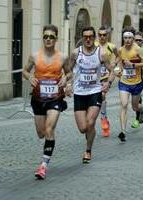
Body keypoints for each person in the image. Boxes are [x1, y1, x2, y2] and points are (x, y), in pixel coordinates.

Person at [22, 25, 68, 180]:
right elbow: (25, 70)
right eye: (46, 36)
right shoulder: (35, 56)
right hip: (38, 98)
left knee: (49, 129)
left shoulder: (62, 57)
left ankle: (43, 165)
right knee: (41, 133)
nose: (48, 39)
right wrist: (29, 77)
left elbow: (69, 73)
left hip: (55, 98)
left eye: (51, 37)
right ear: (43, 38)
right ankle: (49, 140)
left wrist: (65, 79)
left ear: (56, 39)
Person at [65, 26, 114, 163]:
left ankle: (88, 150)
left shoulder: (102, 53)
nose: (88, 39)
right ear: (82, 38)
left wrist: (107, 84)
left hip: (95, 91)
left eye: (90, 37)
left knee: (90, 122)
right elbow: (68, 70)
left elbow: (113, 71)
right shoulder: (76, 53)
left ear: (94, 38)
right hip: (79, 93)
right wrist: (68, 84)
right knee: (83, 128)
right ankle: (90, 134)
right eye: (85, 37)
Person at [115, 26, 143, 142]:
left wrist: (133, 65)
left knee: (134, 106)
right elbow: (119, 62)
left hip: (137, 82)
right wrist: (118, 69)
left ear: (133, 38)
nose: (127, 40)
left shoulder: (138, 50)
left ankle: (141, 109)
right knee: (123, 105)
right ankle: (123, 131)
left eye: (129, 38)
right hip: (124, 82)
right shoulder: (120, 50)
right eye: (125, 38)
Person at [95, 26, 118, 137]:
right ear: (98, 36)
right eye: (100, 35)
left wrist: (114, 63)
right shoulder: (93, 46)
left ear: (107, 36)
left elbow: (119, 57)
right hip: (94, 78)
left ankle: (103, 119)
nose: (102, 37)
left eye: (104, 35)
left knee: (103, 95)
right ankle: (104, 119)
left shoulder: (112, 47)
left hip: (106, 76)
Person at [131, 31, 143, 128]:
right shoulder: (129, 48)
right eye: (136, 40)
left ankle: (137, 119)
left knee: (138, 96)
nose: (138, 42)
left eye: (140, 40)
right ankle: (140, 111)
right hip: (131, 76)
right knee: (134, 97)